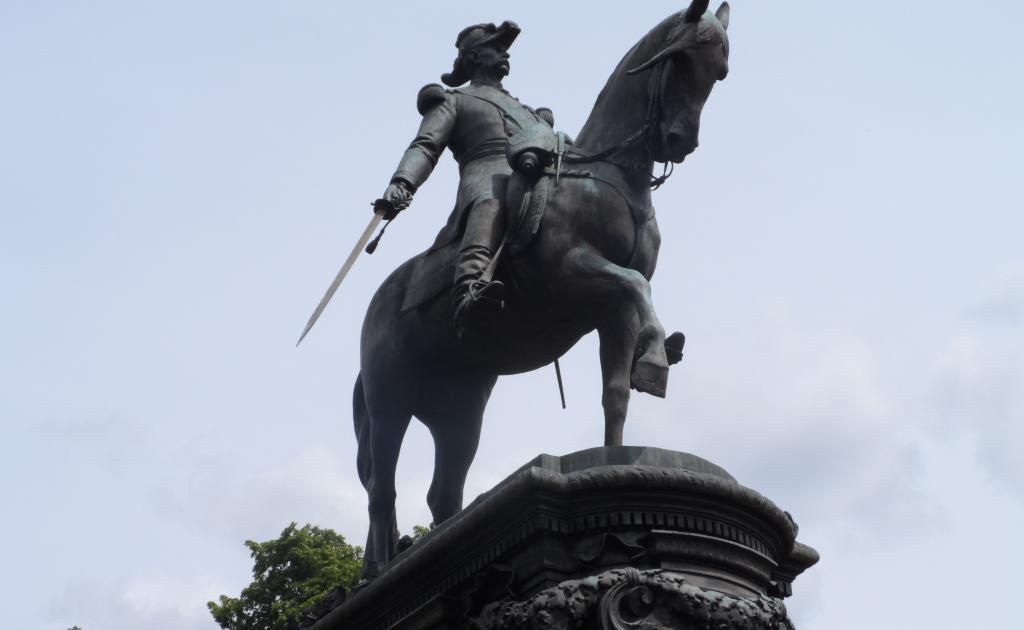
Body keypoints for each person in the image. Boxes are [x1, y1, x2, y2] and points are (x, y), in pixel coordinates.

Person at [380, 21, 554, 335]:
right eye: (496, 48)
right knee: (491, 202)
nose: (505, 55)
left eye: (506, 50)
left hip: (534, 178)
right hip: (485, 172)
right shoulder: (454, 100)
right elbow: (426, 146)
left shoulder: (528, 111)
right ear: (473, 57)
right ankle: (468, 291)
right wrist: (403, 181)